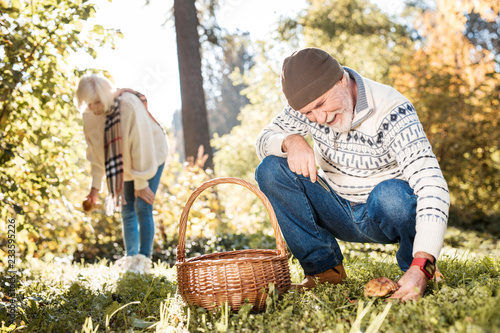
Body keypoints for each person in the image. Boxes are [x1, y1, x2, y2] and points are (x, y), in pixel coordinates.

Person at [255, 48, 450, 301]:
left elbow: (431, 184)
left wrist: (423, 264)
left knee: (391, 195)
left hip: (382, 211)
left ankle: (416, 270)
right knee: (270, 169)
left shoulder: (393, 109)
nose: (320, 118)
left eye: (322, 105)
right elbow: (262, 140)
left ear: (341, 79)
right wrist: (291, 141)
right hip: (336, 207)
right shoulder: (308, 104)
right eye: (308, 114)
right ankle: (325, 271)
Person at [75, 73, 169, 274]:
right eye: (88, 103)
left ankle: (144, 260)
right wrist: (95, 187)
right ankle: (131, 258)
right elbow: (96, 153)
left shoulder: (128, 106)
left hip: (151, 155)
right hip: (122, 166)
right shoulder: (90, 116)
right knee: (126, 208)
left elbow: (141, 145)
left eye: (97, 102)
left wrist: (141, 182)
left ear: (107, 95)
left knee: (142, 205)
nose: (93, 108)